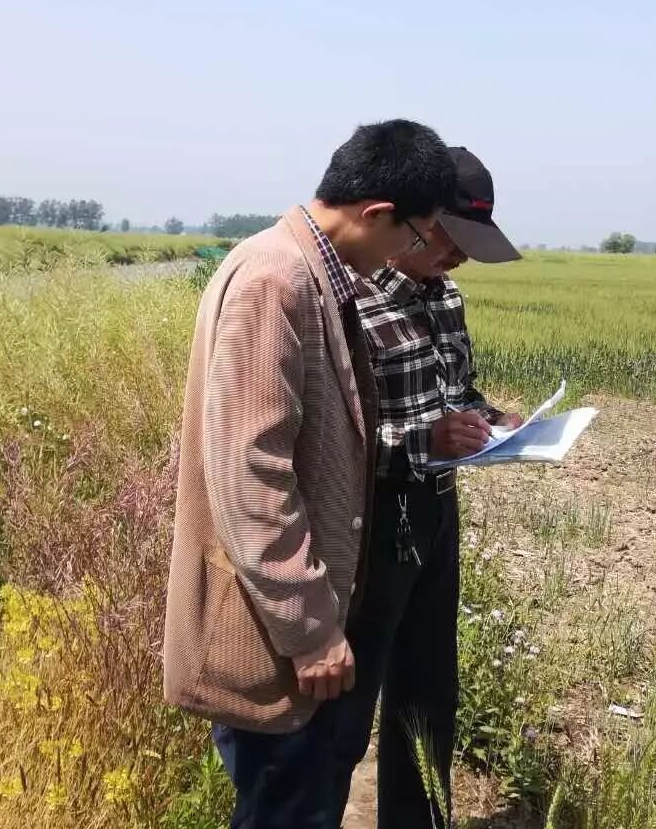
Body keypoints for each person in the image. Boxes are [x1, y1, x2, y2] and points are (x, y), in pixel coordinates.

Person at [162, 119, 458, 829]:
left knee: (300, 801)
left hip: (296, 618)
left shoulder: (312, 272)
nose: (407, 256)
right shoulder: (278, 281)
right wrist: (310, 630)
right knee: (288, 807)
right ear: (377, 213)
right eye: (415, 236)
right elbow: (251, 475)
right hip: (275, 630)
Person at [339, 146, 523, 827]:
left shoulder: (446, 297)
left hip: (437, 507)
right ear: (416, 219)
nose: (460, 257)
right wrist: (425, 441)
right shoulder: (349, 301)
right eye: (452, 239)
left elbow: (456, 394)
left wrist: (492, 420)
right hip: (369, 522)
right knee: (349, 692)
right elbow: (334, 442)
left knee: (428, 686)